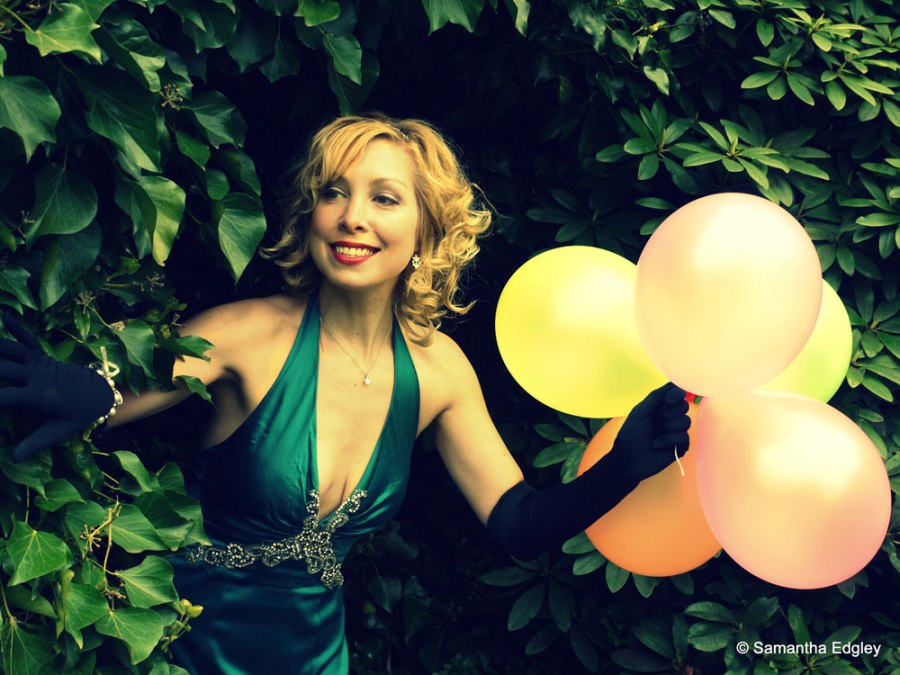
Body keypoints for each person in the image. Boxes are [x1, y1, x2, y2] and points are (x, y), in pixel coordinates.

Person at [0, 114, 690, 674]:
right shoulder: (246, 334)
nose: (351, 215)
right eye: (333, 192)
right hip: (180, 650)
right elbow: (115, 387)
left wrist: (624, 467)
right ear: (310, 214)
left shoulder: (440, 371)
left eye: (383, 198)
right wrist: (83, 389)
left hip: (315, 661)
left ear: (424, 230)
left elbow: (517, 522)